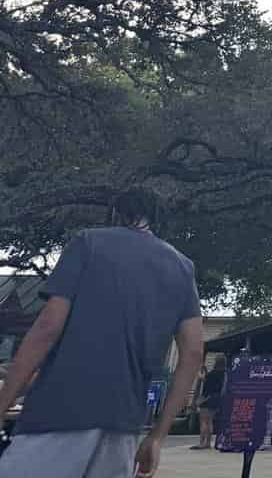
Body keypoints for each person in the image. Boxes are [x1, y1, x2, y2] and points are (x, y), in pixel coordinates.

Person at [0, 188, 204, 478]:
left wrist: (3, 404)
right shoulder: (183, 268)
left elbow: (47, 328)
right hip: (123, 425)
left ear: (116, 214)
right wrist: (157, 436)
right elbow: (193, 353)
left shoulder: (89, 243)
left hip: (58, 411)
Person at [192, 355, 226, 450]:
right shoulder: (224, 374)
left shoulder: (211, 374)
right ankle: (208, 442)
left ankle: (202, 442)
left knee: (203, 421)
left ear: (216, 362)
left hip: (208, 399)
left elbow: (206, 387)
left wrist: (200, 400)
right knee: (210, 421)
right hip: (217, 399)